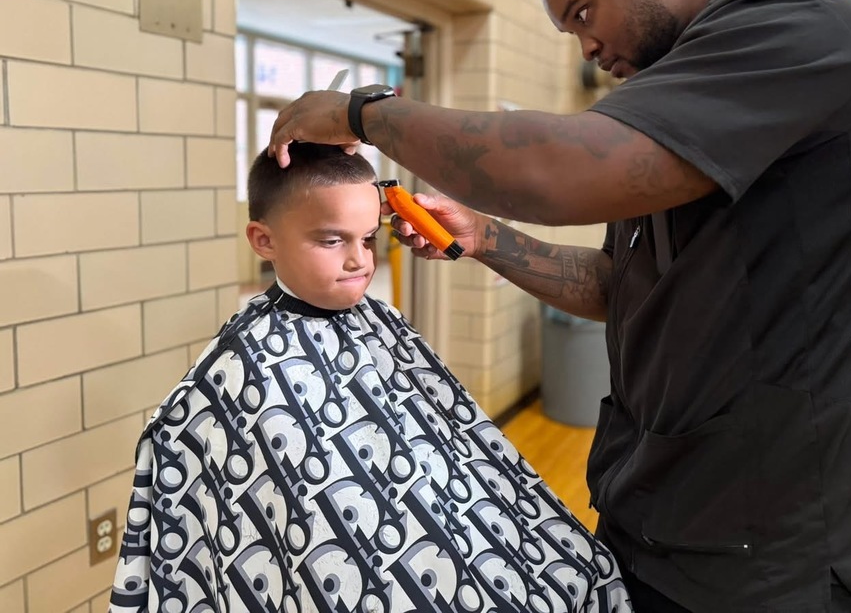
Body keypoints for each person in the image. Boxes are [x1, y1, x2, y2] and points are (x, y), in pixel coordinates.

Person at [267, 0, 851, 613]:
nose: (588, 46)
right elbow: (620, 288)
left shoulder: (804, 31)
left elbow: (552, 172)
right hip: (663, 522)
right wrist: (487, 238)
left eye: (584, 12)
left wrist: (362, 113)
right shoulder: (671, 97)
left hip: (784, 556)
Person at [108, 143, 631, 613]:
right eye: (332, 240)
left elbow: (452, 442)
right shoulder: (243, 366)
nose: (360, 260)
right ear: (263, 240)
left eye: (367, 237)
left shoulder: (383, 322)